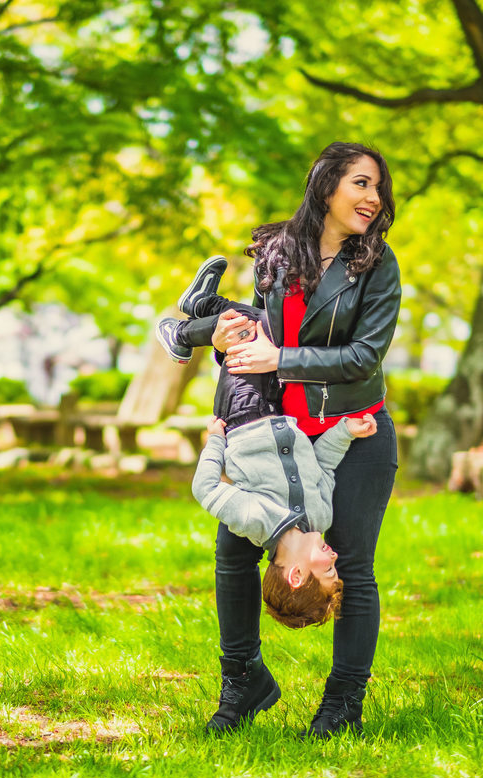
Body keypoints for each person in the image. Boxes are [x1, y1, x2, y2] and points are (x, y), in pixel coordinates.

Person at [180, 142, 401, 738]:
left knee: (353, 565)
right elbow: (262, 323)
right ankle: (244, 681)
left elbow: (363, 357)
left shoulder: (377, 265)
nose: (373, 198)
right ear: (327, 186)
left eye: (377, 187)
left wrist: (279, 356)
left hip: (355, 432)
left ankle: (342, 705)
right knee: (233, 555)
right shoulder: (279, 254)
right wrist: (219, 331)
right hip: (277, 429)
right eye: (360, 183)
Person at [192, 411, 377, 630]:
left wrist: (215, 440)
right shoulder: (321, 517)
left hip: (243, 411)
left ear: (296, 575)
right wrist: (345, 432)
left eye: (329, 569)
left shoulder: (255, 522)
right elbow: (323, 465)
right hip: (285, 407)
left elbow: (206, 488)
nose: (335, 556)